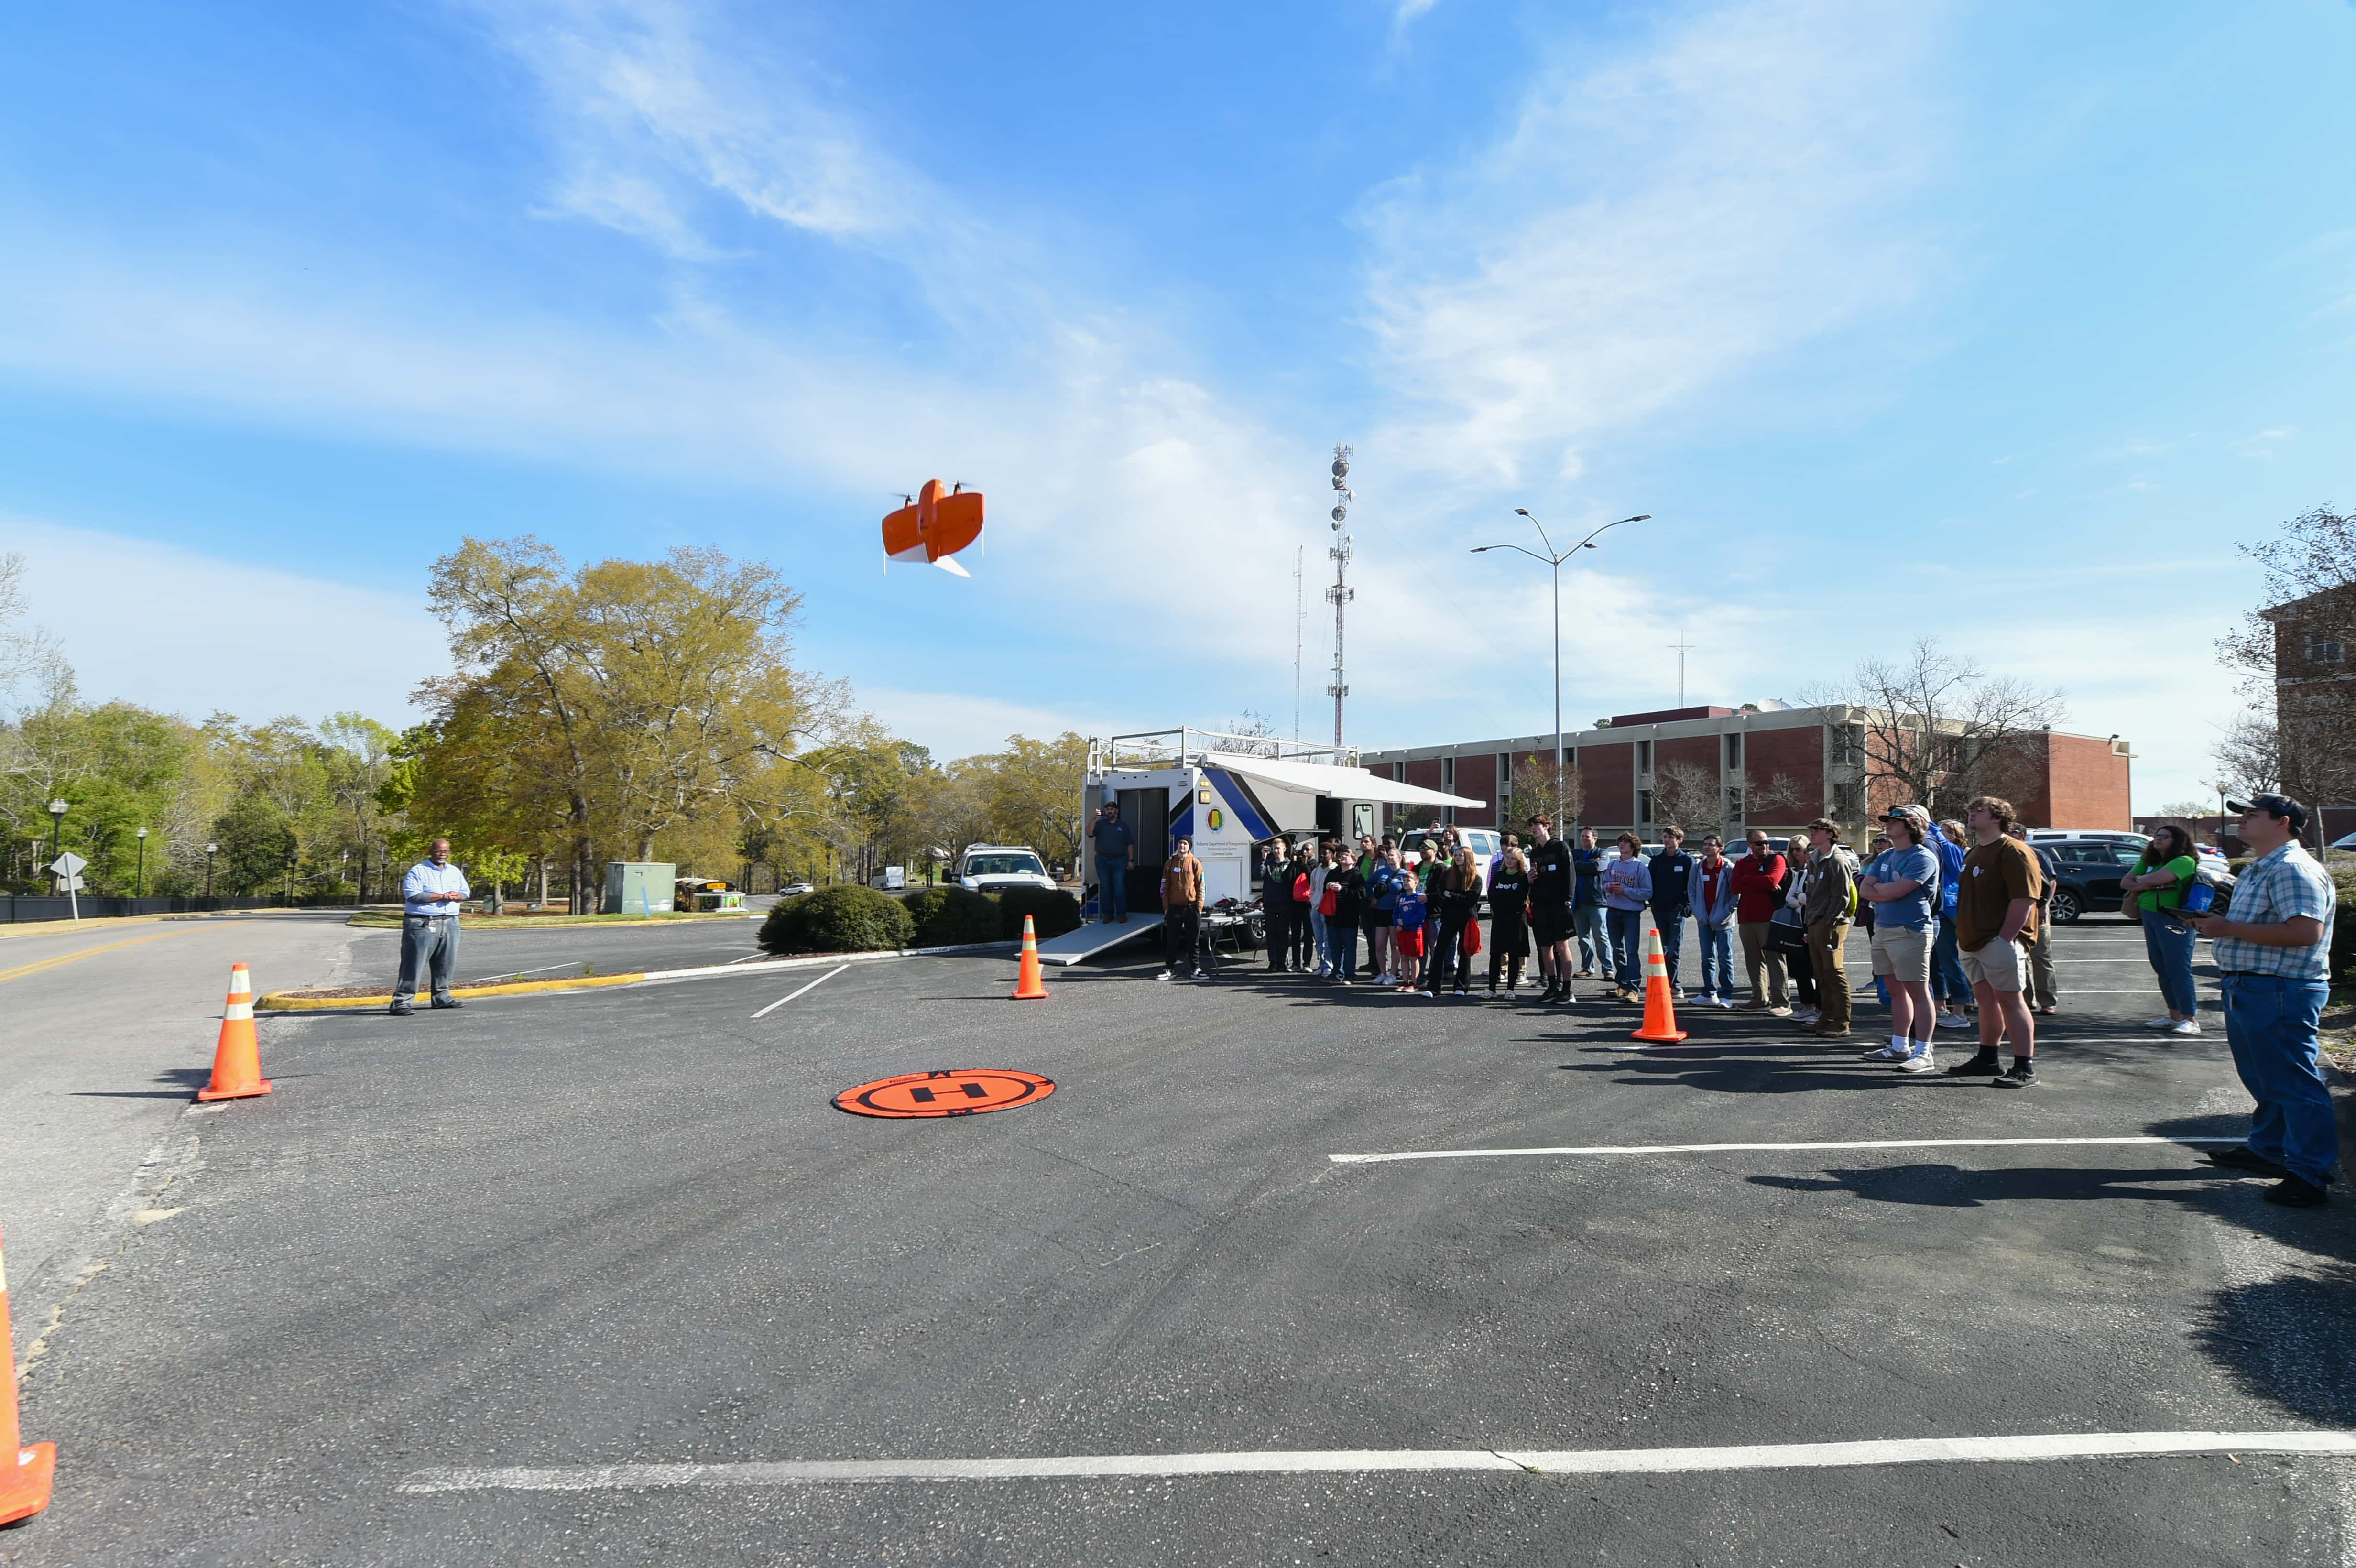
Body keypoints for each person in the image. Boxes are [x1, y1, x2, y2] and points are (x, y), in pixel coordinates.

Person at [2180, 794, 2338, 1208]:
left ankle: (2310, 1174)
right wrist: (2217, 923)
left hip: (2280, 989)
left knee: (2294, 1083)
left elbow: (2306, 932)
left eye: (2253, 815)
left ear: (2282, 822)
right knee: (2269, 1081)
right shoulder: (2261, 868)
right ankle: (2268, 1149)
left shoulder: (2292, 869)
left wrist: (2227, 926)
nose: (2243, 821)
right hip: (2254, 987)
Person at [1944, 796, 2044, 1086]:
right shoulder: (1974, 852)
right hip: (1972, 940)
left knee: (2011, 1001)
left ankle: (2025, 1067)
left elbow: (2025, 899)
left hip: (1998, 941)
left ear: (1998, 817)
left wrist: (2005, 940)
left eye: (1979, 810)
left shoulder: (2014, 850)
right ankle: (1988, 1058)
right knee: (1987, 1001)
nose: (1972, 814)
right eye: (1971, 809)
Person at [1857, 806, 1941, 1071]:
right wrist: (1884, 891)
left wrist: (1881, 890)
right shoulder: (1887, 856)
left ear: (1911, 826)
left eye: (1896, 822)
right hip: (1883, 929)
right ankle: (1899, 1046)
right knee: (1895, 992)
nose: (1889, 826)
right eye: (1889, 821)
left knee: (1918, 991)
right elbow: (1864, 888)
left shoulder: (1923, 857)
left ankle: (1924, 1052)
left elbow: (1896, 891)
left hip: (1910, 931)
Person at [2120, 822, 2202, 1036]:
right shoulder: (2150, 860)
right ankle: (2174, 1016)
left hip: (2174, 919)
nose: (2158, 839)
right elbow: (2125, 883)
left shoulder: (2184, 861)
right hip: (2149, 915)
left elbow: (2151, 879)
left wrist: (2147, 882)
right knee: (2161, 967)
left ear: (2177, 841)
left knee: (2178, 968)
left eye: (2164, 836)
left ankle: (2190, 1018)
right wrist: (2151, 884)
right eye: (2157, 835)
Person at [391, 837, 470, 1015]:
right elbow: (413, 896)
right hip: (422, 922)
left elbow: (466, 892)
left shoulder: (455, 871)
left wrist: (456, 895)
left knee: (446, 963)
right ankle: (401, 1002)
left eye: (446, 851)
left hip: (450, 921)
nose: (443, 854)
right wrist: (442, 896)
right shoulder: (418, 871)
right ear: (430, 851)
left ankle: (442, 998)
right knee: (414, 963)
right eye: (438, 851)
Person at [1799, 819, 1857, 1039]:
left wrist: (1830, 921)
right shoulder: (1814, 858)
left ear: (1831, 834)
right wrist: (1809, 923)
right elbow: (1812, 895)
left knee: (1834, 972)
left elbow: (1842, 896)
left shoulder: (1837, 860)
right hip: (1815, 922)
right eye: (1811, 830)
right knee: (1821, 974)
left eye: (1818, 830)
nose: (1812, 834)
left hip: (1831, 923)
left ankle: (1842, 1021)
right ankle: (1827, 1017)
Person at [1730, 830, 1789, 1013]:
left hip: (1769, 917)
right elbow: (1735, 886)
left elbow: (1772, 880)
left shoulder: (1777, 860)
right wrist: (1759, 882)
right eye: (1759, 843)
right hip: (1747, 917)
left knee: (1775, 960)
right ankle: (1759, 998)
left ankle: (1781, 1002)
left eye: (1766, 843)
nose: (1764, 846)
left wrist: (1749, 880)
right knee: (1754, 960)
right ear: (1750, 845)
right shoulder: (1742, 863)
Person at [2010, 825, 2062, 1016]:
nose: (2010, 836)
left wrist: (2044, 906)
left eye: (2014, 833)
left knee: (2041, 957)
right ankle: (2026, 999)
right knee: (2018, 958)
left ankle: (2047, 1001)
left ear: (2022, 835)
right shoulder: (2004, 854)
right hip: (2014, 912)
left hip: (2036, 911)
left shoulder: (2037, 854)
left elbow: (2051, 882)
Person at [1929, 819, 1974, 1030]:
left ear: (1955, 835)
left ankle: (1960, 1010)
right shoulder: (1935, 848)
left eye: (1946, 831)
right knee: (1935, 962)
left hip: (1952, 909)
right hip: (1938, 910)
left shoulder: (1956, 850)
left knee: (1951, 960)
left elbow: (1956, 872)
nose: (1941, 834)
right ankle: (1940, 1008)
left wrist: (1930, 826)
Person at [1527, 817, 1576, 1003]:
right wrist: (1530, 880)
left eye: (1536, 825)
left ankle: (1568, 989)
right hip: (1541, 906)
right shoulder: (1535, 853)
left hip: (1559, 905)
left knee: (1562, 946)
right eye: (1531, 826)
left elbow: (1571, 875)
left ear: (1546, 826)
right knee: (1545, 947)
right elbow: (1534, 878)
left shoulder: (1561, 847)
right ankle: (1552, 987)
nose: (1533, 829)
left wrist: (1568, 900)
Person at [1687, 833, 1739, 1008]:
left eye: (1711, 844)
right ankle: (1709, 993)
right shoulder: (1698, 867)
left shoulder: (1728, 869)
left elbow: (1735, 895)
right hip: (1704, 920)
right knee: (1706, 958)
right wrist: (1698, 912)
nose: (1707, 847)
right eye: (1705, 844)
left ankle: (1726, 995)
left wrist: (1727, 912)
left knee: (1725, 958)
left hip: (1723, 921)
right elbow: (1692, 892)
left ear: (1720, 849)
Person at [1600, 833, 1653, 1002]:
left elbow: (1647, 892)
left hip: (1631, 913)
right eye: (1620, 842)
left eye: (1626, 843)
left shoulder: (1640, 868)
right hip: (1613, 911)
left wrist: (1626, 891)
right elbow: (1605, 884)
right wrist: (1610, 886)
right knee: (1617, 950)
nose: (1622, 845)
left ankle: (1633, 988)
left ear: (1634, 847)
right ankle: (1622, 985)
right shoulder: (1613, 864)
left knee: (1631, 951)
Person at [1427, 844, 1484, 996]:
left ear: (1468, 858)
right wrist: (1451, 897)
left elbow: (1470, 901)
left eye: (1461, 855)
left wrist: (1451, 896)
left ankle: (1461, 987)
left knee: (1465, 952)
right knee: (1440, 950)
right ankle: (1434, 987)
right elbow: (1440, 894)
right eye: (1456, 855)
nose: (1457, 857)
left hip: (1467, 918)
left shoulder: (1476, 879)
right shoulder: (1447, 874)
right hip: (1449, 917)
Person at [1647, 827, 1697, 1000]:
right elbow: (1650, 883)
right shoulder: (1657, 860)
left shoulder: (1686, 861)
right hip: (1659, 909)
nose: (1666, 840)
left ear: (1679, 840)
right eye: (1665, 837)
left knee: (1674, 950)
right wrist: (1652, 902)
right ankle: (1662, 983)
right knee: (1662, 949)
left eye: (1670, 837)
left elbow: (1691, 886)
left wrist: (1686, 905)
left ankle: (1674, 984)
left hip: (1676, 910)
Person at [1486, 837, 1533, 996]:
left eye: (1513, 858)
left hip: (1517, 920)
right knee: (1496, 954)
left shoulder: (1523, 878)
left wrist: (1507, 899)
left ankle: (1510, 989)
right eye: (1508, 858)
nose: (1510, 861)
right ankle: (1491, 988)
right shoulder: (1499, 876)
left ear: (1519, 860)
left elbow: (1520, 898)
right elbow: (1493, 895)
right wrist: (1502, 902)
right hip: (1500, 919)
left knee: (1514, 954)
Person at [1779, 842, 1820, 1021]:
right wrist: (1802, 899)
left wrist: (1802, 898)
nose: (1810, 855)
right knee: (1799, 968)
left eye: (1813, 851)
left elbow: (1816, 899)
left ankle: (1821, 1009)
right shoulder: (1801, 873)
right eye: (1808, 851)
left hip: (1816, 925)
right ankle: (1807, 1006)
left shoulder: (1822, 872)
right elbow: (1790, 899)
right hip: (1799, 925)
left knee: (1818, 970)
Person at [1157, 836, 1206, 981]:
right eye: (1180, 843)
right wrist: (1166, 907)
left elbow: (1201, 885)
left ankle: (1195, 970)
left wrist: (1199, 907)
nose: (1182, 846)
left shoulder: (1195, 863)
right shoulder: (1170, 863)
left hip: (1192, 908)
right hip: (1174, 908)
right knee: (1172, 941)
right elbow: (1164, 887)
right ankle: (1170, 970)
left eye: (1185, 844)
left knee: (1194, 941)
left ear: (1189, 847)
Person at [1571, 827, 1608, 979]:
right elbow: (1569, 867)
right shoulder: (1575, 854)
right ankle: (1587, 967)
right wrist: (1587, 867)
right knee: (1583, 938)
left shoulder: (1602, 853)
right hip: (1578, 901)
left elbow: (1598, 867)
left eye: (1587, 837)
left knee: (1601, 936)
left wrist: (1579, 866)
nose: (1584, 839)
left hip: (1597, 901)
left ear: (1595, 839)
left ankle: (1608, 969)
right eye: (1583, 836)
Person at [1092, 801, 1134, 925]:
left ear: (1116, 811)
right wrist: (1094, 819)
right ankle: (1108, 915)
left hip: (1120, 860)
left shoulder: (1123, 826)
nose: (1110, 811)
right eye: (1108, 809)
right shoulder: (1100, 825)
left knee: (1119, 887)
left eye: (1112, 809)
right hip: (1102, 860)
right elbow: (1089, 833)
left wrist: (1131, 861)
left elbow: (1130, 844)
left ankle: (1121, 914)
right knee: (1105, 887)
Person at [1327, 848, 1364, 985]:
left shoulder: (1356, 875)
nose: (1343, 857)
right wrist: (1329, 886)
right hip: (1332, 915)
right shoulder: (1333, 873)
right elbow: (1326, 887)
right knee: (1334, 947)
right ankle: (1337, 972)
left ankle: (1349, 974)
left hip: (1349, 916)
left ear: (1353, 861)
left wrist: (1343, 890)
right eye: (1342, 855)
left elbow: (1361, 894)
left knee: (1349, 947)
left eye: (1347, 855)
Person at [1260, 837, 1294, 972]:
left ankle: (1282, 961)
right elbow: (1258, 873)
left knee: (1283, 933)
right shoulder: (1268, 864)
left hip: (1285, 903)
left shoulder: (1290, 864)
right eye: (1274, 848)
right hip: (1271, 903)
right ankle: (1273, 961)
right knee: (1271, 933)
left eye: (1278, 848)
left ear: (1284, 849)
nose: (1275, 851)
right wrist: (1263, 858)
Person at [1391, 874, 1429, 992]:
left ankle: (1414, 982)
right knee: (1404, 957)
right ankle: (1405, 981)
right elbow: (1396, 913)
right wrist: (1398, 926)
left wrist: (1405, 923)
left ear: (1416, 883)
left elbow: (1420, 916)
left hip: (1414, 931)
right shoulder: (1401, 898)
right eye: (1404, 881)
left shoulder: (1418, 898)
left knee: (1413, 958)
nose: (1406, 882)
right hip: (1403, 932)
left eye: (1409, 880)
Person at [1288, 840, 1318, 971]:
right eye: (1303, 850)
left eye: (1308, 850)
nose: (1305, 852)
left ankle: (1307, 963)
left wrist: (1305, 864)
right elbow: (1287, 878)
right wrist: (1293, 862)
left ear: (1313, 852)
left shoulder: (1315, 865)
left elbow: (1312, 879)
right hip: (1295, 904)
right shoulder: (1297, 864)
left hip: (1309, 904)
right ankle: (1296, 963)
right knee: (1295, 934)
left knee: (1308, 934)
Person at [1308, 842, 1335, 980]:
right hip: (1316, 909)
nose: (1323, 855)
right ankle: (1322, 965)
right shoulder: (1316, 871)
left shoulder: (1335, 870)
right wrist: (1314, 901)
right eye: (1321, 853)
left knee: (1328, 938)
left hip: (1328, 910)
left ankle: (1329, 966)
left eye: (1326, 853)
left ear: (1332, 855)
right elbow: (1313, 889)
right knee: (1319, 940)